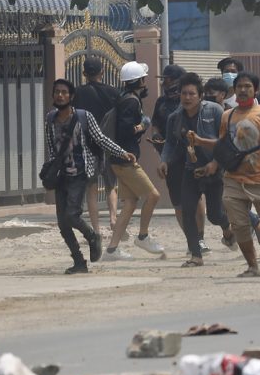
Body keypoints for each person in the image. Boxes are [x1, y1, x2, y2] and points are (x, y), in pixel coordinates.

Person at [195, 72, 260, 277]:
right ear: (234, 90)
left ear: (255, 90)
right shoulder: (227, 116)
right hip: (233, 178)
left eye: (247, 86)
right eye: (239, 86)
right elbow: (223, 146)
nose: (243, 90)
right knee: (239, 226)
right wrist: (213, 163)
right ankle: (252, 266)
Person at [44, 79, 135, 274]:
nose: (60, 95)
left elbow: (100, 139)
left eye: (64, 92)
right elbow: (52, 147)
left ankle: (93, 236)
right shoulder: (50, 118)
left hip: (80, 173)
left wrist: (121, 152)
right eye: (57, 92)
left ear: (71, 96)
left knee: (72, 215)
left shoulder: (84, 117)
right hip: (61, 176)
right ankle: (79, 261)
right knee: (63, 224)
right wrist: (51, 169)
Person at [160, 73, 235, 267]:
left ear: (200, 96)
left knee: (215, 215)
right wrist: (164, 161)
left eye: (191, 94)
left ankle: (227, 229)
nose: (187, 97)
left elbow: (225, 141)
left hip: (214, 169)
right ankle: (196, 255)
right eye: (184, 93)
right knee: (187, 211)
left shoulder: (215, 111)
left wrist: (215, 163)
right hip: (191, 170)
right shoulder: (175, 118)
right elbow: (170, 143)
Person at [103, 62, 164, 260]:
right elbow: (125, 131)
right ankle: (143, 237)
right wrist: (142, 126)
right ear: (139, 81)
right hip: (125, 160)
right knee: (153, 195)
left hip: (119, 159)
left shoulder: (126, 98)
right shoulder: (131, 101)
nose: (146, 82)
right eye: (144, 79)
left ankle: (112, 250)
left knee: (129, 203)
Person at [151, 65, 209, 255]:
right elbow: (155, 125)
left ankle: (200, 238)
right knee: (178, 202)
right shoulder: (161, 102)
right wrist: (157, 137)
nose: (164, 83)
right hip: (172, 161)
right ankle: (191, 240)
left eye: (167, 79)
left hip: (193, 158)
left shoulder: (193, 104)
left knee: (197, 198)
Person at [72, 56, 120, 237]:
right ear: (102, 72)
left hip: (88, 146)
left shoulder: (77, 93)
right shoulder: (113, 92)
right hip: (108, 143)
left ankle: (96, 230)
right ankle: (113, 218)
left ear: (84, 73)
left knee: (91, 189)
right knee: (111, 185)